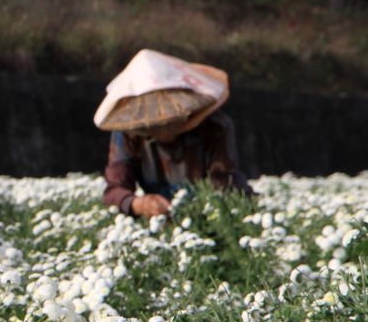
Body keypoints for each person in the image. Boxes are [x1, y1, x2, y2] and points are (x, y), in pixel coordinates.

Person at [95, 49, 254, 218]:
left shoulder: (216, 127)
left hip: (218, 214)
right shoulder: (128, 134)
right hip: (162, 220)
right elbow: (115, 190)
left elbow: (223, 185)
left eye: (170, 120)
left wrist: (193, 213)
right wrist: (140, 204)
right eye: (154, 124)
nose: (163, 128)